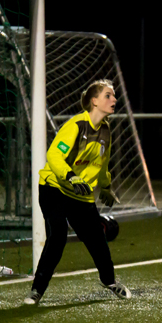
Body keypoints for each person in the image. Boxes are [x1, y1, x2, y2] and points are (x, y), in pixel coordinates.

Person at [23, 79, 131, 305]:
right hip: (54, 188)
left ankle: (109, 281)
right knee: (58, 235)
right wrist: (70, 176)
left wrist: (107, 187)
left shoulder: (105, 130)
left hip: (80, 194)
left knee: (96, 239)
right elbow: (53, 156)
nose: (114, 100)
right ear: (94, 101)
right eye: (108, 96)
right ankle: (36, 291)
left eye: (113, 96)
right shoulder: (76, 126)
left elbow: (102, 164)